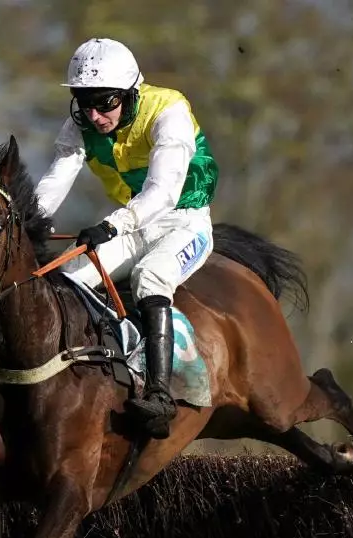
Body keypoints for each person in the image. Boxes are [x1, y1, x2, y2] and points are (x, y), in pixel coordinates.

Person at [34, 37, 219, 440]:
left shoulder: (168, 110)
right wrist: (31, 220)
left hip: (184, 221)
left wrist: (113, 225)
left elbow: (164, 192)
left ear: (131, 94)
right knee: (62, 280)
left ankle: (159, 394)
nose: (96, 116)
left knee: (151, 277)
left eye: (105, 103)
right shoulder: (81, 125)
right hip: (133, 223)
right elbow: (55, 181)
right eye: (85, 103)